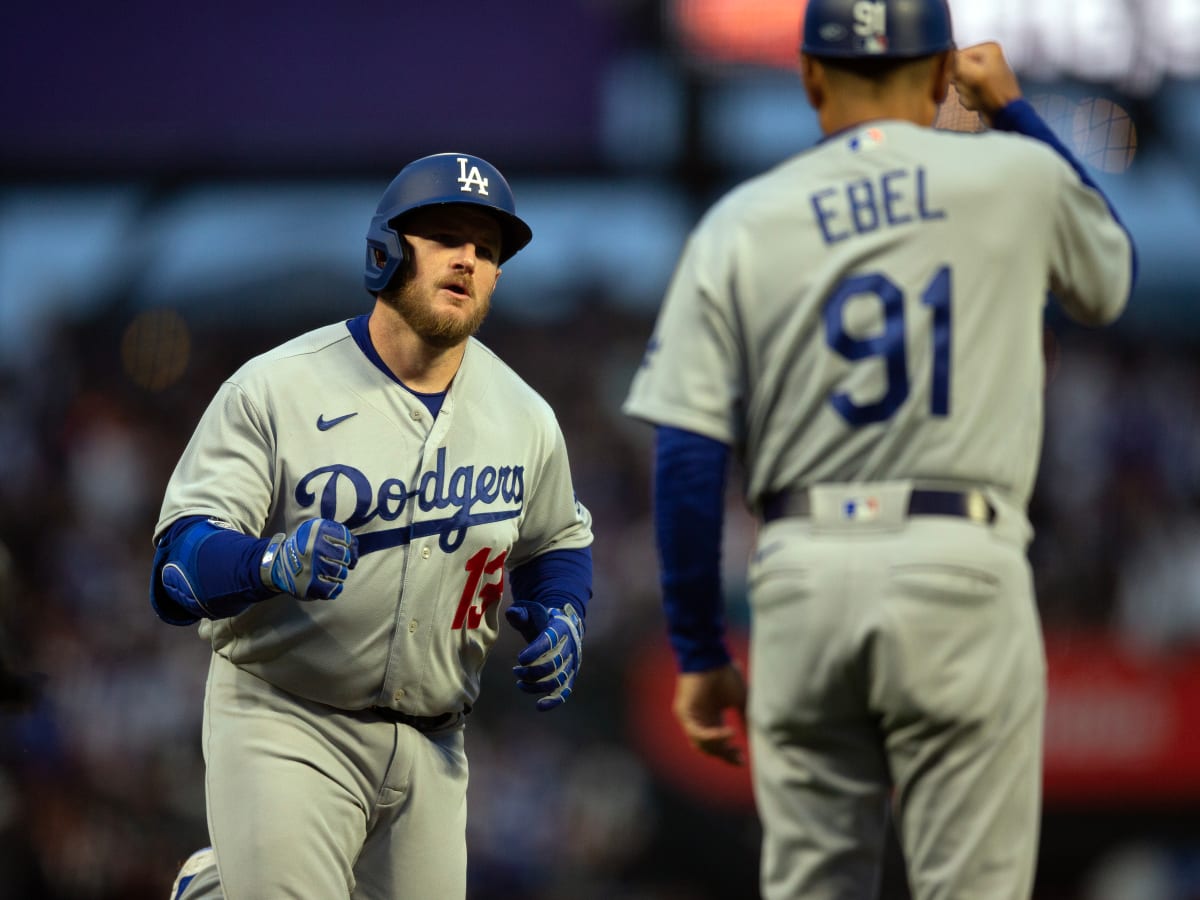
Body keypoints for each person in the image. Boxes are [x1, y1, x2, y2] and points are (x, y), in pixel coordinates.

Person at [623, 0, 1137, 896]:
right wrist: (1013, 110)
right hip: (959, 563)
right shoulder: (1016, 177)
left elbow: (688, 454)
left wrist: (701, 653)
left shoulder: (743, 219)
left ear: (812, 76)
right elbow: (1109, 282)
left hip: (802, 572)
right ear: (944, 74)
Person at [152, 152, 593, 899]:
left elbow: (558, 543)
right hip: (289, 717)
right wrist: (268, 564)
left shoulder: (524, 417)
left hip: (437, 741)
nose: (467, 259)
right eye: (447, 235)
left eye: (486, 250)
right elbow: (175, 568)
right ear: (385, 250)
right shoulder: (277, 387)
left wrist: (564, 614)